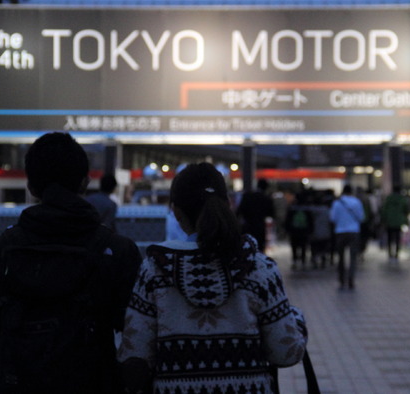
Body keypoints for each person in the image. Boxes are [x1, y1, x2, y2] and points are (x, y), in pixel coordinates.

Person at [0, 132, 142, 393]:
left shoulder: (0, 250)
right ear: (84, 182)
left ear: (31, 187)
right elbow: (136, 332)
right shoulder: (117, 250)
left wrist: (24, 359)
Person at [117, 162, 307, 394]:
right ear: (227, 205)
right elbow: (285, 353)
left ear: (176, 211)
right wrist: (297, 319)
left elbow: (134, 353)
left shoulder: (154, 270)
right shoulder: (260, 268)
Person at [330, 185, 364, 290]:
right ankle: (351, 278)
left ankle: (341, 279)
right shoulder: (357, 202)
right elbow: (362, 217)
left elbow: (332, 218)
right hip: (354, 231)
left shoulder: (337, 203)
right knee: (353, 257)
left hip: (340, 231)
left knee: (340, 257)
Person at [236, 178, 275, 252]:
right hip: (260, 227)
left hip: (247, 226)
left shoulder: (247, 196)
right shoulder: (266, 199)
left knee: (247, 248)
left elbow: (239, 211)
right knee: (259, 249)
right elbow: (271, 214)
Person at [380, 185, 410, 263]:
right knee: (397, 238)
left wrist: (383, 220)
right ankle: (396, 254)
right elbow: (406, 210)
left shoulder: (389, 198)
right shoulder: (402, 199)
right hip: (398, 221)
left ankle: (390, 254)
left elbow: (384, 210)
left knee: (390, 238)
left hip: (389, 221)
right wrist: (405, 220)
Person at [284, 193, 314, 270]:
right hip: (304, 231)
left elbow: (288, 219)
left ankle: (294, 261)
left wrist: (287, 229)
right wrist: (311, 230)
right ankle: (303, 262)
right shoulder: (306, 208)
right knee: (303, 246)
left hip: (294, 231)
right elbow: (310, 220)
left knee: (294, 246)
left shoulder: (292, 207)